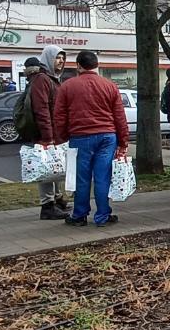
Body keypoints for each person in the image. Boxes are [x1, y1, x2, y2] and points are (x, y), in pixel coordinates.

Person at [53, 51, 128, 227]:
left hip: (80, 137)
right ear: (97, 65)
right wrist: (123, 141)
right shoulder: (109, 85)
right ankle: (102, 216)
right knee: (103, 177)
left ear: (78, 65)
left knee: (82, 178)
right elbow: (119, 116)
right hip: (107, 137)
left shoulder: (67, 86)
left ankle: (79, 215)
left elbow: (59, 116)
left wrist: (62, 136)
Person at [29, 45, 68, 220]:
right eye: (57, 57)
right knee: (45, 169)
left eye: (62, 58)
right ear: (48, 58)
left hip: (55, 133)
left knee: (55, 167)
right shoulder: (42, 79)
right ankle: (47, 206)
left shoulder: (53, 78)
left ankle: (57, 200)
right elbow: (41, 109)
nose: (60, 61)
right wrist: (48, 136)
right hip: (47, 134)